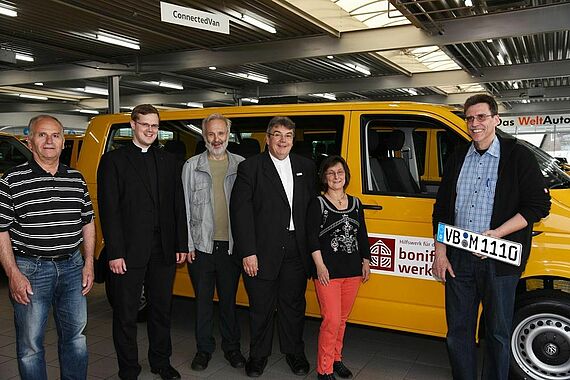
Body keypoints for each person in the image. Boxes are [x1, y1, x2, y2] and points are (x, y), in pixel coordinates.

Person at [432, 94, 551, 380]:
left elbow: (538, 205)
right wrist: (440, 253)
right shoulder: (458, 157)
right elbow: (442, 210)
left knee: (497, 334)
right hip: (459, 259)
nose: (474, 124)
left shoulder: (517, 155)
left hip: (500, 260)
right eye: (469, 118)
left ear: (496, 119)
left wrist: (497, 234)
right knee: (458, 332)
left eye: (481, 116)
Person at [0, 115, 95, 380]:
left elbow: (87, 222)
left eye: (55, 135)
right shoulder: (12, 180)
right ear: (29, 142)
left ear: (63, 142)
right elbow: (1, 230)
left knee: (76, 338)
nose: (49, 141)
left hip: (73, 266)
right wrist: (13, 273)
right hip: (31, 269)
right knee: (31, 345)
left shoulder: (76, 178)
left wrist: (88, 263)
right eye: (42, 135)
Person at [97, 104, 188, 380]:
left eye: (155, 125)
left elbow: (178, 206)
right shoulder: (114, 161)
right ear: (133, 125)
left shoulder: (168, 161)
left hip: (163, 250)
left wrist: (181, 244)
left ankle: (161, 362)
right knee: (126, 314)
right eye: (145, 124)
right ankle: (128, 368)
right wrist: (114, 252)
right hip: (128, 251)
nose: (150, 130)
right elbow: (109, 209)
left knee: (161, 309)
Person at [230, 116, 316, 377]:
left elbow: (311, 211)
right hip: (261, 250)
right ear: (267, 138)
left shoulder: (306, 167)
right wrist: (248, 252)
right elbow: (240, 213)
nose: (282, 140)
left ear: (293, 139)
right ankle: (258, 356)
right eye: (277, 134)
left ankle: (294, 353)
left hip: (296, 250)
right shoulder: (251, 168)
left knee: (293, 306)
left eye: (288, 136)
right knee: (261, 307)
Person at [182, 113, 246, 371]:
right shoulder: (191, 166)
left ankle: (232, 349)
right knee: (203, 303)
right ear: (204, 135)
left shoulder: (242, 165)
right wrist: (187, 246)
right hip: (201, 248)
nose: (216, 139)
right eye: (211, 134)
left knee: (229, 302)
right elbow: (185, 208)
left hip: (230, 248)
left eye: (221, 133)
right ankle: (203, 350)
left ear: (228, 135)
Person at [307, 156, 370, 380]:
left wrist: (366, 260)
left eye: (340, 172)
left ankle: (336, 359)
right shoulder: (318, 203)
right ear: (324, 177)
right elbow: (311, 238)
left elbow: (362, 234)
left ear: (346, 175)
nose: (336, 177)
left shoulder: (356, 203)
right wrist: (320, 266)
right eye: (331, 173)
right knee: (331, 319)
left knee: (342, 320)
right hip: (328, 273)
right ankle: (324, 370)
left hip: (352, 271)